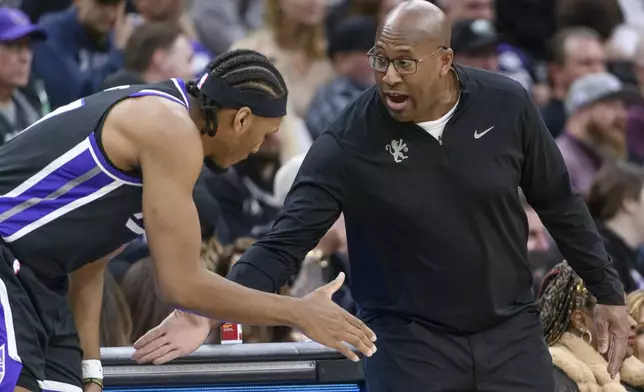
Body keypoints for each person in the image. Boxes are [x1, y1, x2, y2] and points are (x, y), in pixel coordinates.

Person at [133, 2, 630, 391]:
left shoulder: (507, 103)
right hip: (409, 344)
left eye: (404, 63)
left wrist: (607, 290)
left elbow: (560, 203)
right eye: (380, 60)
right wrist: (202, 311)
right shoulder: (349, 140)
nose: (388, 75)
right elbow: (281, 245)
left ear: (444, 61)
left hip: (510, 332)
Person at [0, 48, 375, 392]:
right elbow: (179, 286)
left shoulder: (171, 126)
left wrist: (92, 372)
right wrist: (298, 312)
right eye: (264, 136)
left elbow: (89, 265)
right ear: (242, 119)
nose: (258, 150)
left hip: (42, 280)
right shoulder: (171, 130)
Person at [538, 261, 644, 392]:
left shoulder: (634, 380)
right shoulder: (554, 381)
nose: (633, 323)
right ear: (581, 321)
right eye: (619, 312)